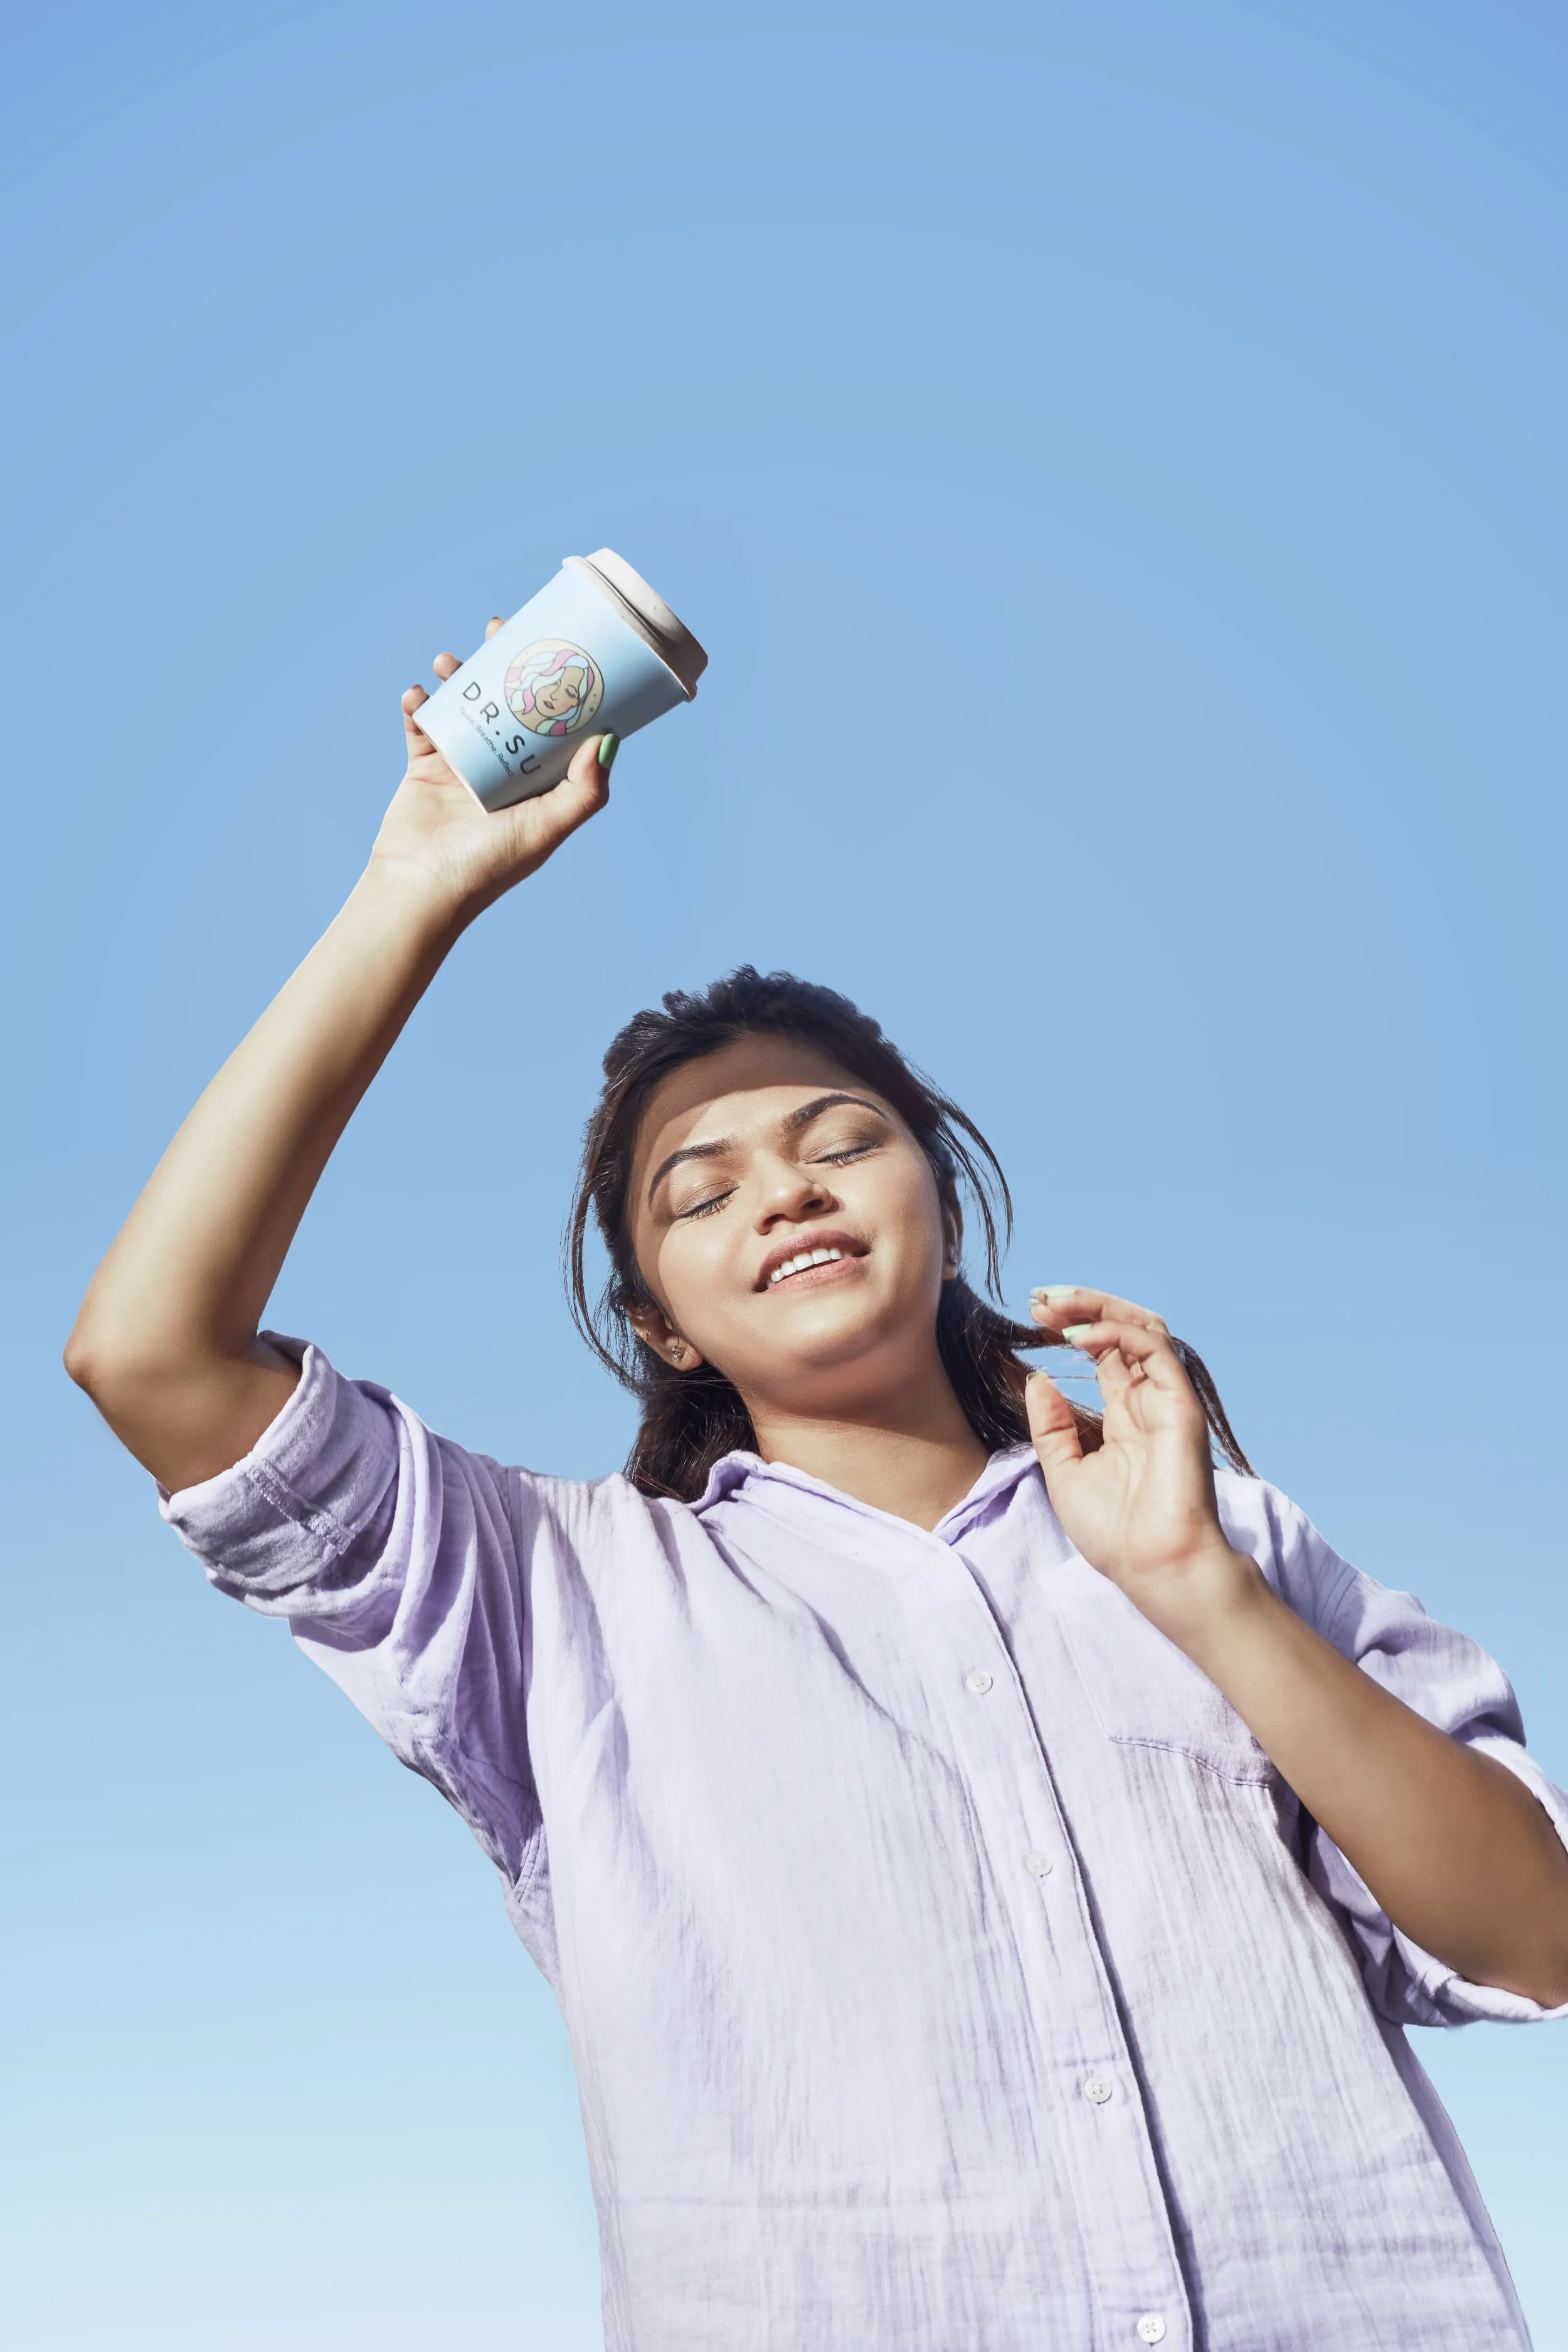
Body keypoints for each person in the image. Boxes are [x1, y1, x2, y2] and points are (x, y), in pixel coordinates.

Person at [67, 619, 1568, 2352]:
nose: (781, 1189)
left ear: (935, 1187)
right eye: (698, 1188)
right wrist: (417, 890)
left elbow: (1531, 1937)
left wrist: (1206, 1600)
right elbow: (151, 1355)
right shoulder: (560, 1598)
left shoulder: (1218, 1542)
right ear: (660, 1321)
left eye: (837, 1137)